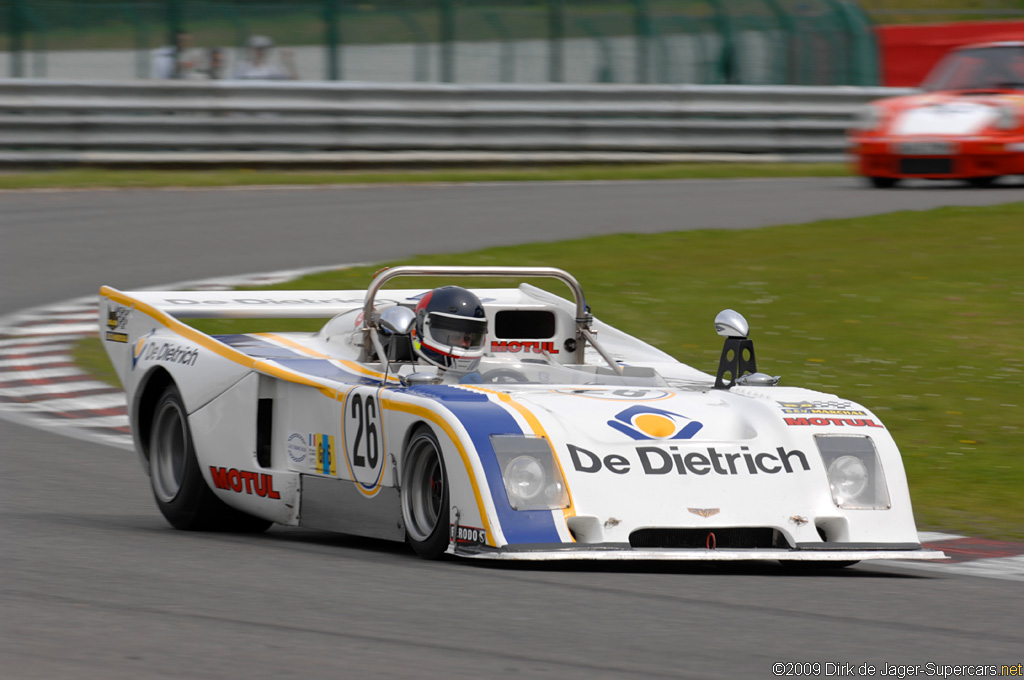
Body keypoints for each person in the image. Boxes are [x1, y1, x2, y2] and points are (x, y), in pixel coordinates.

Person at [410, 286, 488, 373]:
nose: (464, 344)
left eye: (467, 338)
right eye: (455, 336)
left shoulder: (485, 377)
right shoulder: (404, 379)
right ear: (422, 329)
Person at [230, 35, 298, 80]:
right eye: (257, 49)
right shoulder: (242, 67)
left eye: (262, 49)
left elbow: (293, 81)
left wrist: (289, 62)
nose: (259, 52)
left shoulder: (271, 68)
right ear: (249, 50)